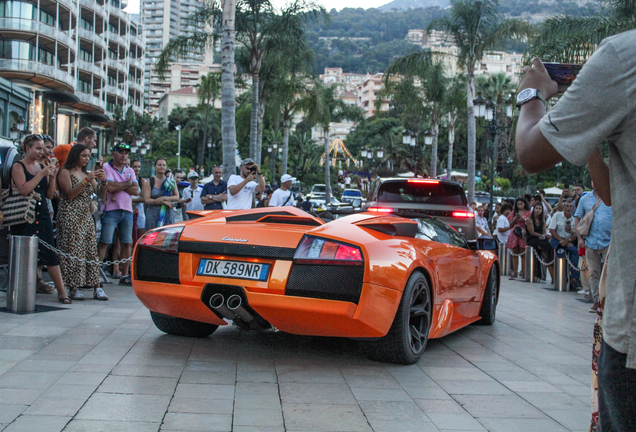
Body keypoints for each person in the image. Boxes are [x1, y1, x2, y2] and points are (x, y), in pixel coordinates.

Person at [514, 37, 634, 431]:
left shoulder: (623, 56)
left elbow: (530, 153)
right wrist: (595, 126)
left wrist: (532, 93)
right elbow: (611, 193)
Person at [10, 135, 70, 303]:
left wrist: (52, 176)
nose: (41, 152)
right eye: (37, 148)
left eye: (42, 149)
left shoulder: (42, 166)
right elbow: (24, 189)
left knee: (50, 253)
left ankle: (61, 292)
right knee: (24, 254)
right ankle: (22, 289)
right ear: (27, 148)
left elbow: (50, 194)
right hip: (24, 215)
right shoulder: (18, 166)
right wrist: (42, 174)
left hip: (42, 214)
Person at [57, 144, 108, 301]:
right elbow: (70, 193)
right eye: (83, 156)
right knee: (73, 249)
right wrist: (87, 180)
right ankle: (74, 286)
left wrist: (104, 182)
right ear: (75, 156)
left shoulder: (87, 173)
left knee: (90, 250)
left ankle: (96, 286)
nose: (86, 159)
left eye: (88, 156)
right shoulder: (65, 172)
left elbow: (100, 195)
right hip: (70, 214)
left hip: (86, 215)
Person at [98, 143, 138, 287]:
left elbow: (136, 191)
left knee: (126, 243)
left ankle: (125, 275)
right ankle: (95, 275)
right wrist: (127, 184)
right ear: (114, 153)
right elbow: (110, 187)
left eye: (126, 153)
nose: (124, 155)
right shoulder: (106, 168)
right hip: (110, 209)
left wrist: (120, 185)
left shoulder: (129, 170)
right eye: (121, 152)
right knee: (105, 242)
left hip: (126, 210)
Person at [574, 184, 612, 312]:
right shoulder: (585, 199)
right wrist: (580, 239)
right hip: (591, 241)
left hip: (609, 241)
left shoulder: (611, 196)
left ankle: (607, 301)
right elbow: (577, 218)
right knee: (593, 273)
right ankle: (597, 301)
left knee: (608, 273)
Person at [549, 200, 580, 289]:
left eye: (570, 206)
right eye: (567, 206)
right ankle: (560, 278)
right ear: (563, 207)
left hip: (568, 240)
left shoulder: (574, 219)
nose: (569, 208)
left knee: (575, 252)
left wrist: (567, 240)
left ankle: (574, 277)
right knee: (560, 253)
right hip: (557, 239)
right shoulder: (557, 215)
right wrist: (561, 240)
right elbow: (552, 230)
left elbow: (575, 234)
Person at [143, 158, 180, 229]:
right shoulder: (149, 181)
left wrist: (163, 198)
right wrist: (164, 202)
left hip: (168, 214)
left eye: (164, 165)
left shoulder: (171, 181)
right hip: (153, 215)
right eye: (159, 165)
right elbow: (147, 200)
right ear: (155, 167)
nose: (162, 167)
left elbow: (176, 197)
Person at [525, 202, 555, 282]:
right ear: (533, 209)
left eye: (540, 209)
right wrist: (541, 236)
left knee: (548, 247)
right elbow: (532, 232)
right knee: (545, 247)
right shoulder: (529, 219)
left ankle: (553, 274)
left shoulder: (542, 220)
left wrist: (545, 236)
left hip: (541, 239)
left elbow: (544, 231)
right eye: (536, 208)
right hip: (532, 239)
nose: (538, 210)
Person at [506, 198, 531, 279]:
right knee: (515, 252)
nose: (520, 206)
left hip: (523, 233)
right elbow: (510, 225)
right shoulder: (513, 213)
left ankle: (523, 271)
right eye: (518, 204)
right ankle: (515, 271)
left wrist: (523, 219)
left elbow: (529, 222)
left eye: (521, 204)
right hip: (515, 233)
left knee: (523, 252)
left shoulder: (528, 213)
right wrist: (515, 219)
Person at [131, 159, 146, 243]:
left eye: (138, 167)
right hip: (128, 210)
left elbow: (144, 198)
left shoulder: (141, 181)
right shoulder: (127, 179)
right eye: (135, 166)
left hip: (139, 211)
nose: (137, 169)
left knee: (140, 237)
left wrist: (130, 200)